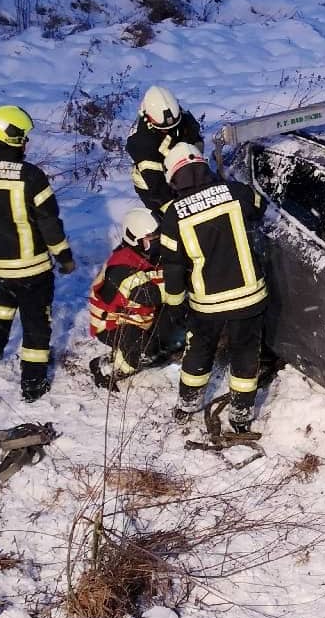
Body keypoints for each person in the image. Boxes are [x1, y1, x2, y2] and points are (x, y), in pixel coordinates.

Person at [0, 104, 74, 403]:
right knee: (37, 323)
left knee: (4, 299)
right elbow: (50, 223)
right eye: (22, 135)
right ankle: (33, 384)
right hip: (31, 268)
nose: (26, 141)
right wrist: (63, 257)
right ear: (8, 136)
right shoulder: (31, 177)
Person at [158, 142, 268, 434]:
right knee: (245, 354)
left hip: (206, 305)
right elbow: (260, 206)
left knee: (199, 351)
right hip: (248, 297)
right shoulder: (234, 192)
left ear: (174, 177)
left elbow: (173, 266)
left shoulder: (173, 216)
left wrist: (174, 304)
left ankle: (187, 405)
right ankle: (241, 415)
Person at [86, 208, 183, 389]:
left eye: (157, 237)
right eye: (151, 239)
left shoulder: (147, 256)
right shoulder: (121, 267)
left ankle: (159, 345)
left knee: (171, 332)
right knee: (146, 351)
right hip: (114, 325)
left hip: (140, 318)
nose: (156, 242)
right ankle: (108, 367)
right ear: (135, 239)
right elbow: (152, 293)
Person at [125, 85, 205, 219]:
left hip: (178, 170)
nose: (169, 130)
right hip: (152, 185)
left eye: (174, 126)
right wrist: (175, 212)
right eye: (164, 130)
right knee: (168, 218)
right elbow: (157, 187)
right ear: (150, 120)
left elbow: (195, 138)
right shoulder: (142, 144)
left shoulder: (181, 116)